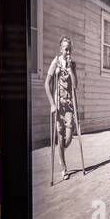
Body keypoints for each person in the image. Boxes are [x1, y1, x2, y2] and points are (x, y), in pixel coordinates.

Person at [45, 36, 84, 179]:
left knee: (68, 138)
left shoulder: (72, 64)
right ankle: (64, 167)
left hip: (68, 106)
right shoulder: (55, 62)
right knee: (60, 136)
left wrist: (69, 68)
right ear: (61, 49)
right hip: (58, 106)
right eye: (66, 49)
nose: (68, 52)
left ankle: (61, 149)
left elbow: (75, 85)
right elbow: (46, 84)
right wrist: (52, 104)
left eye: (70, 49)